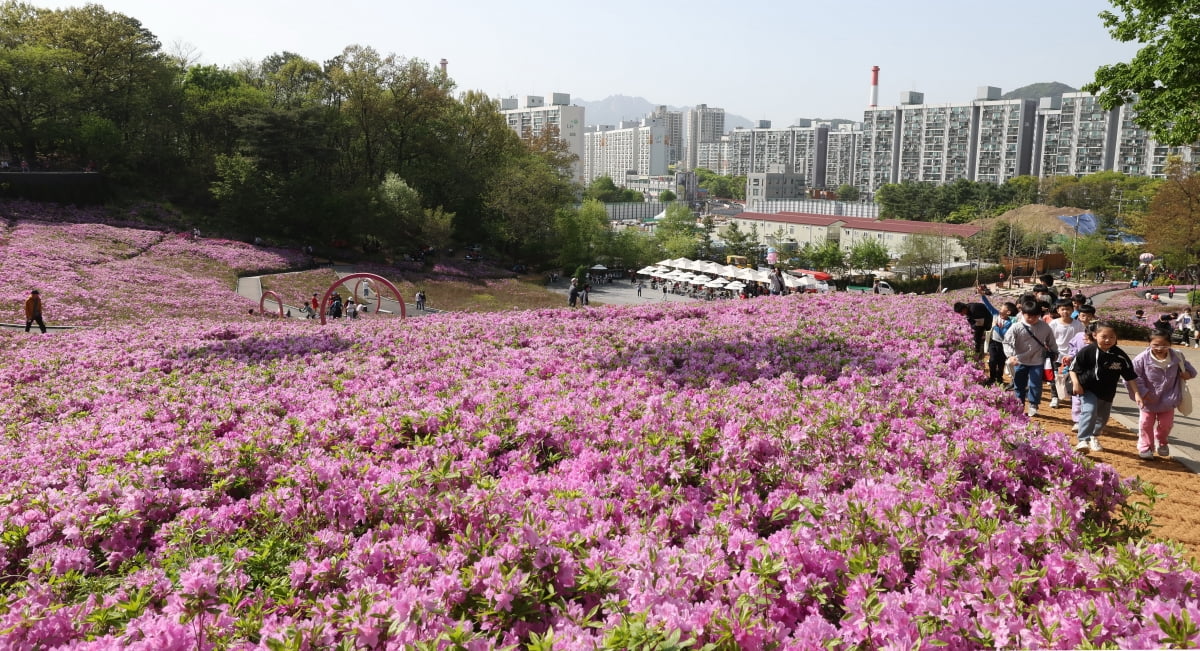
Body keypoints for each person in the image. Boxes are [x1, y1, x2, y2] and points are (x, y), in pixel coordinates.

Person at [1068, 321, 1141, 453]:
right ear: (1095, 335)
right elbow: (1073, 368)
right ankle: (1083, 440)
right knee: (1089, 411)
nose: (1108, 340)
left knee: (1102, 417)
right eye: (1104, 337)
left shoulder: (1120, 356)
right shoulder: (1088, 351)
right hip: (1088, 388)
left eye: (1112, 337)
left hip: (1107, 391)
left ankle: (1094, 436)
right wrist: (1076, 383)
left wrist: (1136, 393)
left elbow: (1130, 376)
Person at [1131, 327, 1197, 459]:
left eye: (1164, 345)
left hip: (1169, 399)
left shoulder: (1177, 356)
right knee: (1145, 424)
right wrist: (1142, 392)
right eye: (1155, 345)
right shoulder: (1141, 359)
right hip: (1148, 400)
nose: (1160, 348)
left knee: (1166, 425)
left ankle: (1161, 441)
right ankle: (1146, 447)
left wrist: (1187, 374)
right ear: (1149, 344)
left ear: (1170, 344)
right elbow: (1132, 377)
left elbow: (1191, 371)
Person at [1003, 301, 1058, 417]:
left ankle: (1033, 404)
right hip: (1019, 360)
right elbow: (1007, 342)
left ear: (1039, 315)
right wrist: (1010, 356)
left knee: (1035, 383)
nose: (1032, 319)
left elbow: (1051, 341)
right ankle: (1019, 404)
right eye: (1029, 316)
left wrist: (1054, 352)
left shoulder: (1044, 327)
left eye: (1035, 316)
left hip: (1037, 360)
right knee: (1019, 384)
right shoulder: (1016, 327)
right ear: (1023, 313)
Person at [1048, 299, 1084, 409]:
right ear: (1058, 310)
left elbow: (1080, 340)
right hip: (1057, 355)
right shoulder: (1053, 323)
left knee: (1071, 378)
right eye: (1062, 309)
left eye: (1068, 309)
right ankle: (1055, 397)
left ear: (1072, 310)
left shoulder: (1078, 325)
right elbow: (1049, 339)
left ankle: (1073, 397)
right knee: (1056, 377)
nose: (1065, 312)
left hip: (1072, 356)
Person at [980, 293, 1017, 385]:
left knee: (1001, 362)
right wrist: (982, 295)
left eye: (1002, 308)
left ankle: (999, 377)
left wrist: (996, 326)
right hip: (993, 342)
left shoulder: (1009, 323)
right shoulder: (996, 314)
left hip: (1003, 345)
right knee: (992, 360)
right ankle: (992, 377)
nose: (1000, 309)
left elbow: (1003, 334)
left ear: (1008, 312)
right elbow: (988, 305)